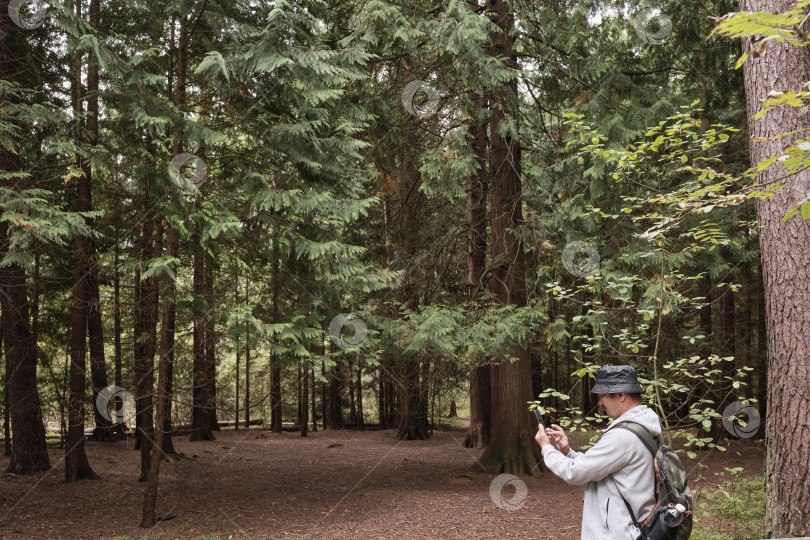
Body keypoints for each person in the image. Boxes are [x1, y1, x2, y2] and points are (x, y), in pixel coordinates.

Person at [534, 365, 661, 540]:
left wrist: (546, 448)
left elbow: (574, 472)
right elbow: (604, 468)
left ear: (621, 395)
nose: (600, 402)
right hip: (632, 530)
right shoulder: (643, 426)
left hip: (618, 534)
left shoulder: (623, 436)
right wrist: (568, 452)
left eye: (603, 396)